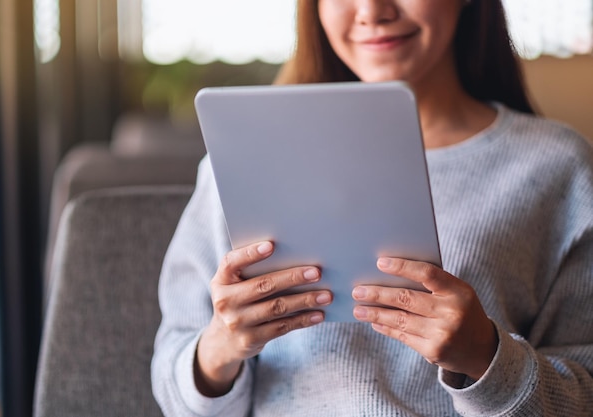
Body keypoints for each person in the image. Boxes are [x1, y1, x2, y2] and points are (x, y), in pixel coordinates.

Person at [151, 1, 593, 415]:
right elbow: (171, 376)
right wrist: (220, 349)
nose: (373, 12)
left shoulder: (557, 166)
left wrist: (486, 357)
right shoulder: (240, 160)